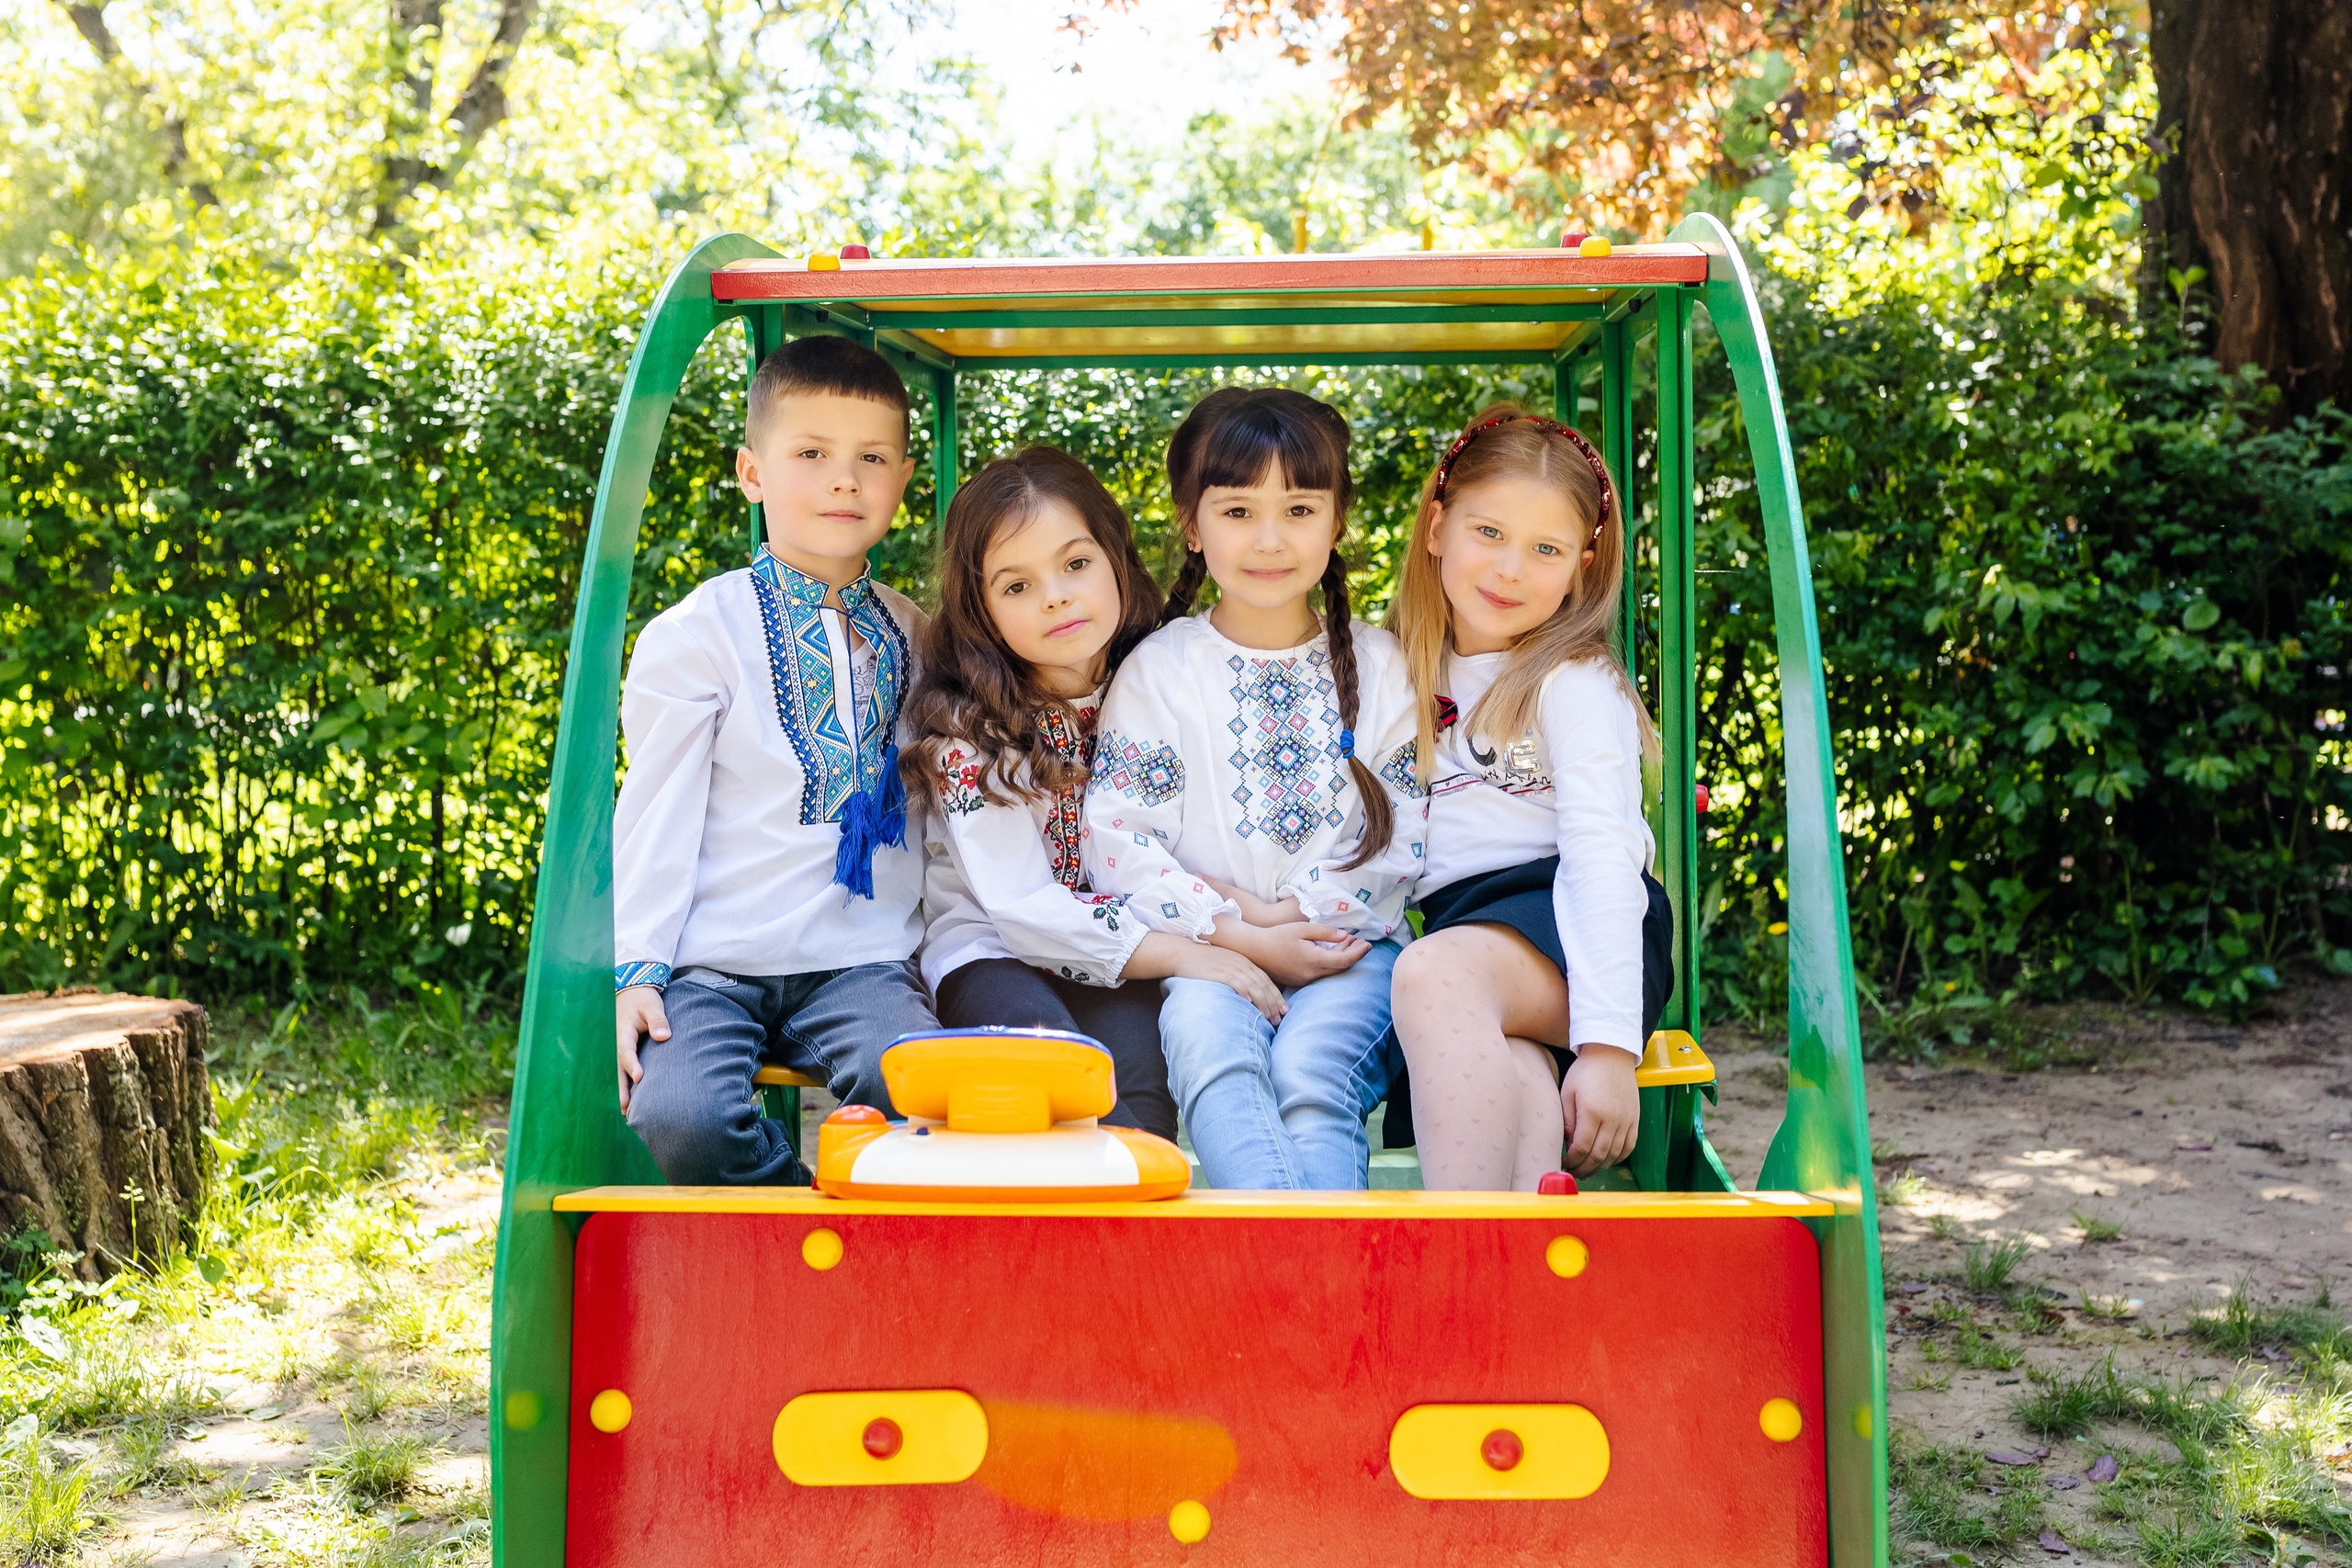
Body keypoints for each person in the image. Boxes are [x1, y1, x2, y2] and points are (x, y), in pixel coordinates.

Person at [609, 335, 937, 1186]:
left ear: (903, 478)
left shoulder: (920, 635)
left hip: (864, 959)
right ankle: (800, 1218)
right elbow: (656, 810)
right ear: (753, 473)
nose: (844, 479)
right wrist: (640, 968)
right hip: (717, 963)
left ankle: (882, 1253)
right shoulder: (696, 634)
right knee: (679, 1113)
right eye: (812, 454)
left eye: (872, 457)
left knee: (925, 1093)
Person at [1082, 388, 1424, 1190]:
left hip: (1357, 953)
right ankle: (1303, 1289)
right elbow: (1120, 844)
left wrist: (1306, 919)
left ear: (1337, 520)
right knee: (1209, 1051)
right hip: (1210, 955)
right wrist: (1245, 932)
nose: (1270, 540)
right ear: (1193, 526)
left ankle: (1299, 1292)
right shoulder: (1160, 671)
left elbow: (1404, 835)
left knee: (1311, 1073)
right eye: (1238, 512)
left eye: (1299, 508)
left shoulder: (1382, 668)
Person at [905, 446, 1285, 1144]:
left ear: (1115, 557)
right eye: (1016, 586)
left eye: (1076, 564)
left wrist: (1253, 919)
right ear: (981, 610)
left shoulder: (1161, 684)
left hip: (1123, 955)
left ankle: (1142, 1249)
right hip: (994, 953)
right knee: (1061, 1084)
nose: (1055, 595)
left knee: (1142, 1090)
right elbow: (1020, 909)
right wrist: (1188, 953)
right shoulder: (967, 731)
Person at [1385, 404, 1672, 1190]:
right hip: (1475, 933)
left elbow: (1604, 859)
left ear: (1583, 563)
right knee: (1510, 1071)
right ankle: (1523, 1255)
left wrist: (1611, 1048)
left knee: (1430, 975)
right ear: (1437, 528)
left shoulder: (1569, 680)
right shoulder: (1393, 669)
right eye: (1489, 533)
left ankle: (1462, 1245)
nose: (1511, 569)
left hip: (1575, 918)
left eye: (1545, 549)